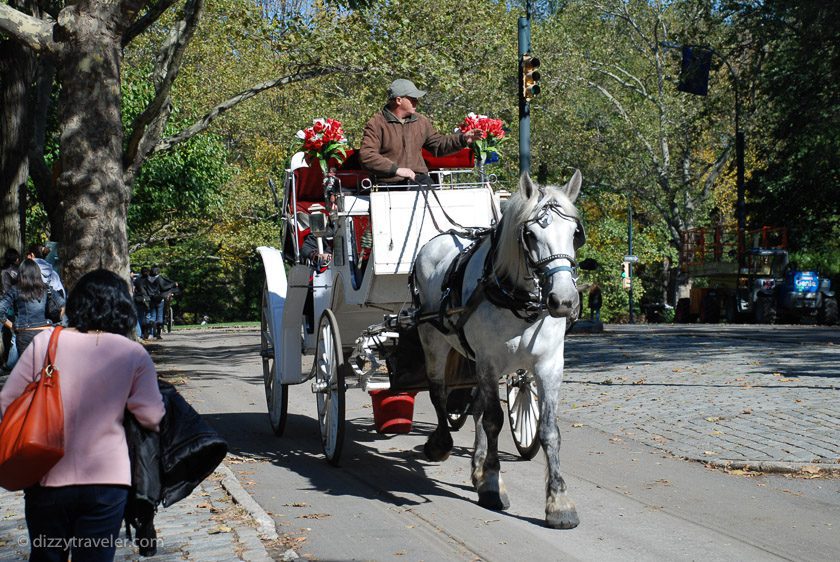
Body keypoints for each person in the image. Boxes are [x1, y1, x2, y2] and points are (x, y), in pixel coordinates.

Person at [0, 269, 165, 562]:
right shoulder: (133, 355)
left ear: (76, 304)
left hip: (45, 474)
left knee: (47, 555)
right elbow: (152, 417)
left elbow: (6, 403)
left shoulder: (46, 343)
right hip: (107, 480)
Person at [359, 78, 481, 187]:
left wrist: (463, 139)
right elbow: (367, 156)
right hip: (388, 184)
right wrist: (397, 170)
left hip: (419, 181)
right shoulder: (376, 123)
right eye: (413, 99)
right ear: (398, 100)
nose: (417, 102)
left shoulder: (421, 121)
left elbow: (438, 145)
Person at [0, 259, 65, 355]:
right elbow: (62, 305)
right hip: (45, 332)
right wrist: (57, 320)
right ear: (37, 272)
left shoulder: (15, 290)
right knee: (43, 367)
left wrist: (12, 326)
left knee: (27, 367)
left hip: (24, 334)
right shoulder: (46, 288)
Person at [145, 265, 178, 339]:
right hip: (159, 299)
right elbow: (164, 287)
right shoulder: (159, 278)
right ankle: (157, 333)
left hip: (150, 299)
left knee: (152, 317)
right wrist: (173, 284)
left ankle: (151, 333)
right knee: (159, 318)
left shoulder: (147, 279)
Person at [1, 248, 20, 367]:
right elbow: (6, 290)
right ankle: (8, 361)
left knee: (7, 334)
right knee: (10, 334)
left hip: (7, 304)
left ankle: (7, 360)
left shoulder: (4, 271)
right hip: (9, 305)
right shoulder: (15, 271)